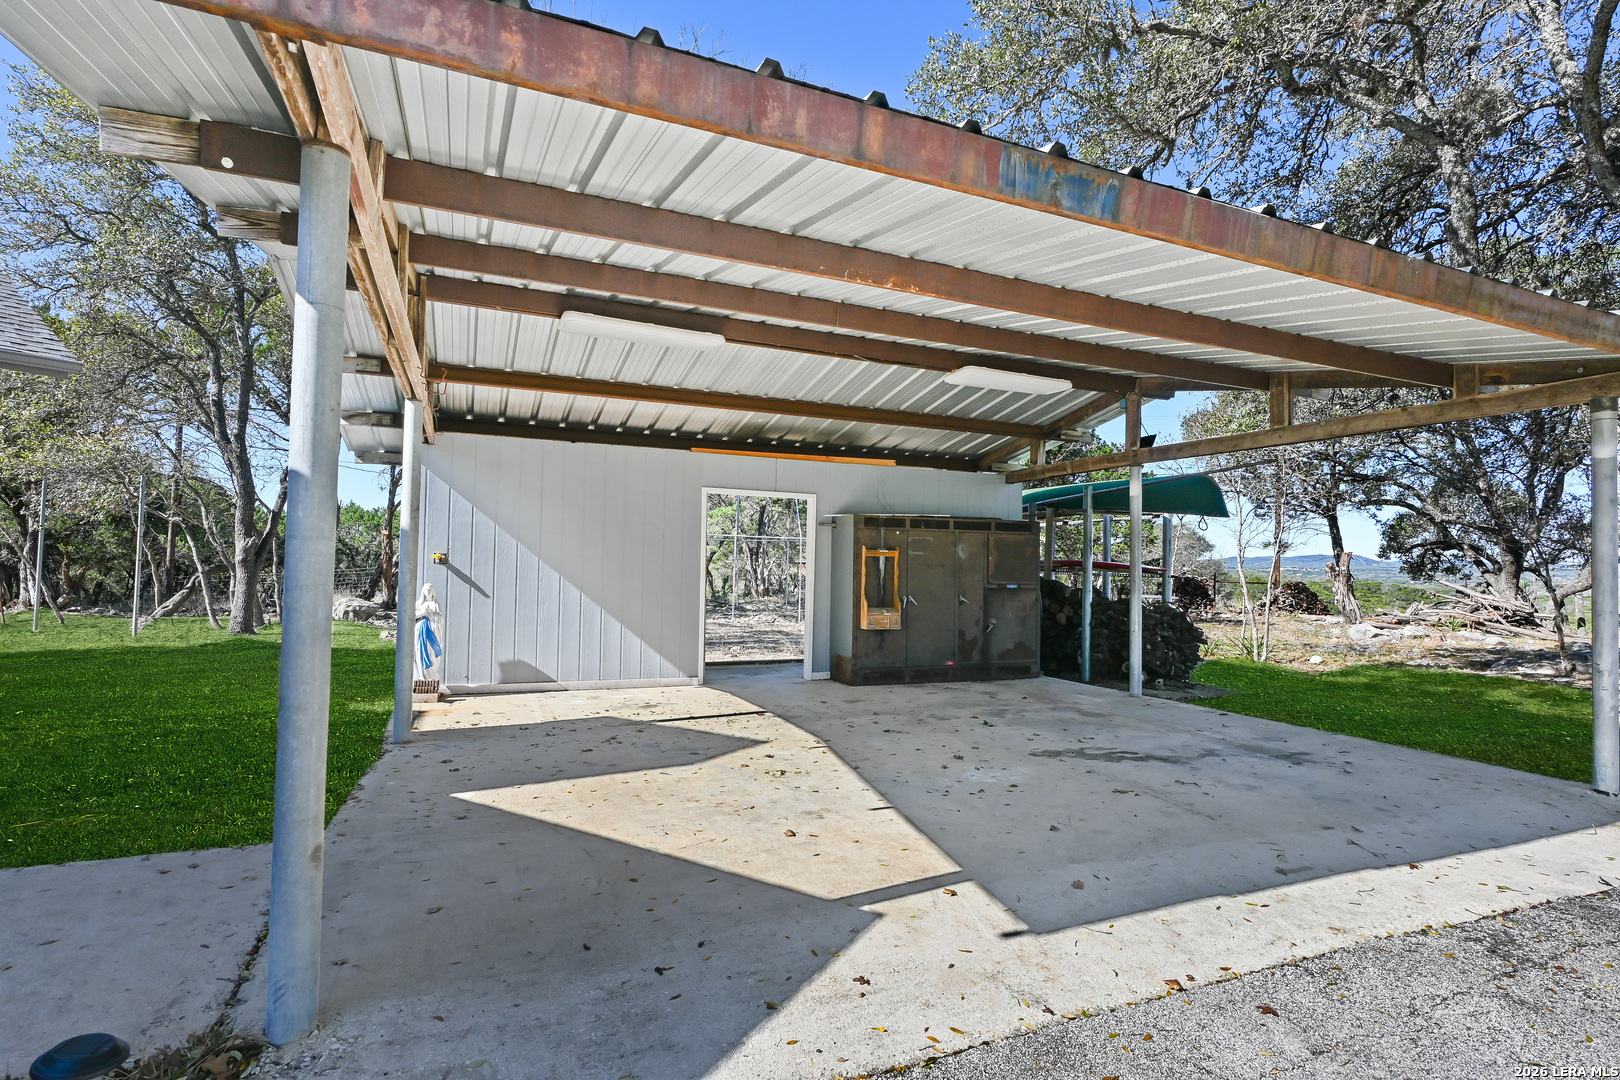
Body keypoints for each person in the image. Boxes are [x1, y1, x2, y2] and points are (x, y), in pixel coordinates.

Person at [414, 582, 444, 689]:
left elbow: (440, 618)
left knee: (432, 653)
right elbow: (413, 615)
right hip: (420, 630)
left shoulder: (435, 604)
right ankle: (423, 676)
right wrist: (423, 613)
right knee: (420, 652)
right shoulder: (419, 604)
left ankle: (431, 675)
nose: (428, 592)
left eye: (430, 589)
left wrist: (433, 615)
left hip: (432, 632)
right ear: (423, 592)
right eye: (426, 590)